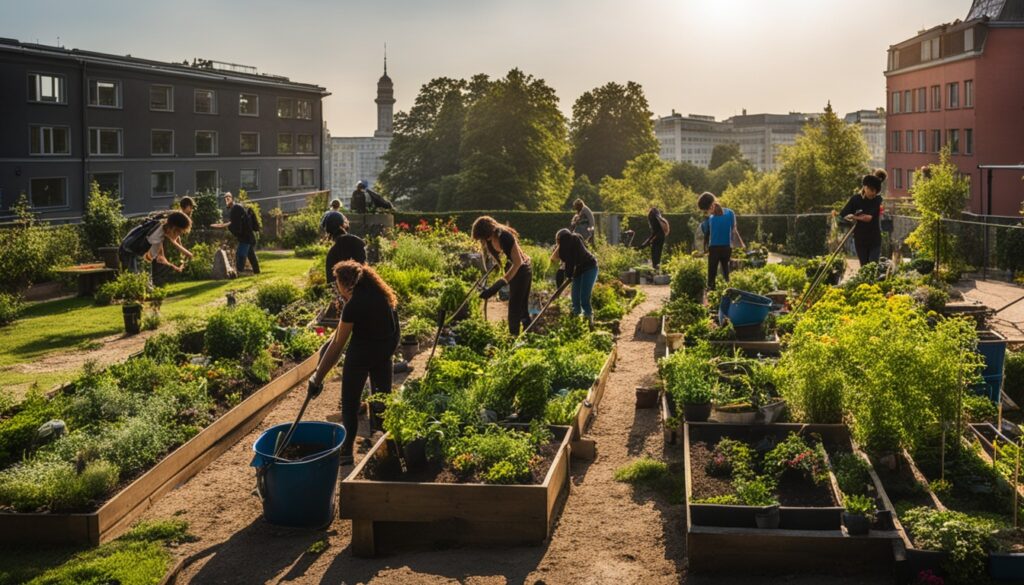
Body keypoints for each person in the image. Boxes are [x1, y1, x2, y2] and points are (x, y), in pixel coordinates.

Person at [306, 260, 400, 465]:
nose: (336, 288)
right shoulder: (383, 296)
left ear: (344, 283)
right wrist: (386, 352)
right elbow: (396, 332)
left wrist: (317, 378)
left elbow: (338, 345)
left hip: (360, 356)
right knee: (382, 400)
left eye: (337, 283)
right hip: (383, 353)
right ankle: (383, 448)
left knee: (350, 403)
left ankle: (346, 451)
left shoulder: (354, 304)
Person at [472, 216, 532, 336]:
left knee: (516, 307)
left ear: (489, 231)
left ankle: (516, 338)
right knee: (517, 307)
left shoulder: (504, 236)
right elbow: (493, 259)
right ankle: (524, 336)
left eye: (483, 237)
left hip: (522, 270)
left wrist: (498, 285)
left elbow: (518, 262)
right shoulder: (489, 239)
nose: (483, 240)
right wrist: (486, 284)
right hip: (512, 269)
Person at [118, 211, 192, 276]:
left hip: (131, 248)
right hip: (129, 251)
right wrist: (175, 268)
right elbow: (154, 258)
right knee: (134, 278)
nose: (178, 235)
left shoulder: (162, 226)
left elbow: (172, 242)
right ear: (173, 228)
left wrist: (187, 254)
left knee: (142, 277)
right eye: (179, 232)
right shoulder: (156, 236)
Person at [838, 169, 887, 267]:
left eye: (876, 191)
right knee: (864, 266)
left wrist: (855, 216)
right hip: (860, 239)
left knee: (873, 265)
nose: (873, 193)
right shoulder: (855, 199)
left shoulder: (877, 199)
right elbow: (843, 214)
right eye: (872, 190)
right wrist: (849, 217)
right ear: (865, 187)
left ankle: (873, 282)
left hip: (874, 239)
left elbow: (868, 218)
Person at [698, 192, 744, 290]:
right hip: (727, 247)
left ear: (708, 207)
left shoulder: (710, 218)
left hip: (714, 248)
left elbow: (704, 230)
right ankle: (728, 291)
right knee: (726, 271)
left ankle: (711, 293)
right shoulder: (730, 212)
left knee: (712, 273)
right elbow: (734, 230)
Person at [551, 228, 599, 324]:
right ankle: (576, 320)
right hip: (578, 270)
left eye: (558, 242)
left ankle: (589, 320)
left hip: (590, 268)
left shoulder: (574, 241)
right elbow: (560, 266)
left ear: (560, 240)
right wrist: (559, 288)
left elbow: (570, 263)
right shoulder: (566, 245)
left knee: (584, 297)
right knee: (575, 298)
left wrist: (568, 276)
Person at [210, 192, 260, 275]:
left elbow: (236, 227)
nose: (226, 201)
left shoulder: (235, 209)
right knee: (251, 255)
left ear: (231, 199)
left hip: (245, 237)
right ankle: (257, 272)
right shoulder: (236, 208)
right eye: (225, 199)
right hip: (248, 236)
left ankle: (239, 272)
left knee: (240, 254)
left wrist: (228, 227)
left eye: (228, 198)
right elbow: (235, 223)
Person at [322, 211, 366, 287]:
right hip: (364, 290)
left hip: (345, 295)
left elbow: (331, 285)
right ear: (343, 225)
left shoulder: (332, 253)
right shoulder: (358, 242)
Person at [638, 207, 670, 271]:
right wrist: (646, 243)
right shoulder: (660, 220)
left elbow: (654, 234)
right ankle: (657, 270)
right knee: (658, 256)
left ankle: (655, 270)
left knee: (655, 257)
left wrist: (644, 244)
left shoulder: (653, 218)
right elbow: (655, 234)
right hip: (660, 237)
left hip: (657, 238)